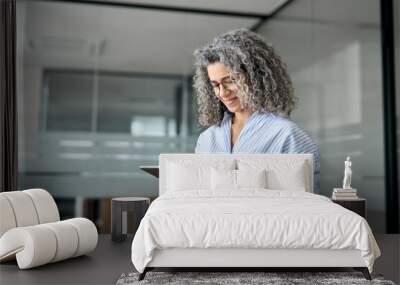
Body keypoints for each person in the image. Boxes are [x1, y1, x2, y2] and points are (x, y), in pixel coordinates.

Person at [192, 28, 320, 193]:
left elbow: (307, 204)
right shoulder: (207, 139)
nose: (222, 93)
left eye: (230, 80)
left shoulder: (287, 136)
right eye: (215, 85)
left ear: (255, 77)